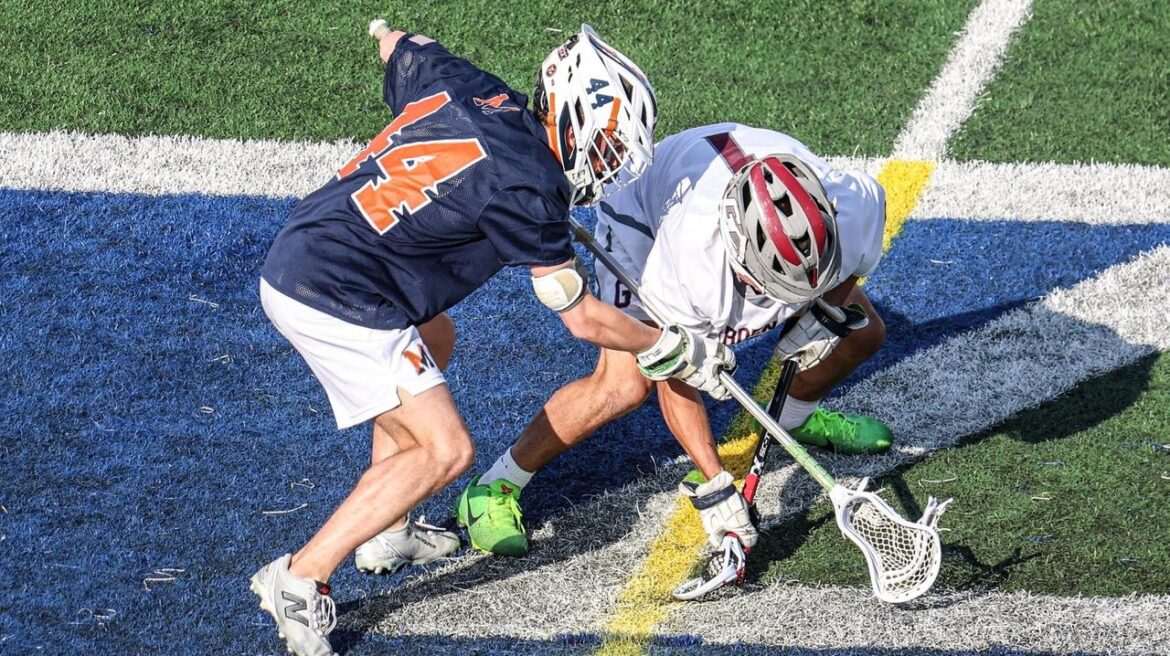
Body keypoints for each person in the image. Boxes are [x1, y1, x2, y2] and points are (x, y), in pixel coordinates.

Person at [249, 25, 735, 656]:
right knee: (446, 450)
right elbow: (581, 317)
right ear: (575, 123)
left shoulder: (473, 88)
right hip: (337, 292)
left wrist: (386, 32)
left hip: (315, 250)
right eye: (611, 144)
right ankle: (300, 577)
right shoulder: (530, 185)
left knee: (435, 336)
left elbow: (404, 45)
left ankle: (389, 528)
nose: (614, 161)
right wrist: (670, 343)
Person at [457, 122, 893, 559]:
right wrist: (716, 486)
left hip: (751, 201)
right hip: (646, 216)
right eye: (770, 288)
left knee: (862, 334)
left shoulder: (854, 207)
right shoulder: (691, 265)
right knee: (624, 385)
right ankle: (496, 484)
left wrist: (828, 308)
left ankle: (791, 419)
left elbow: (852, 263)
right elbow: (672, 370)